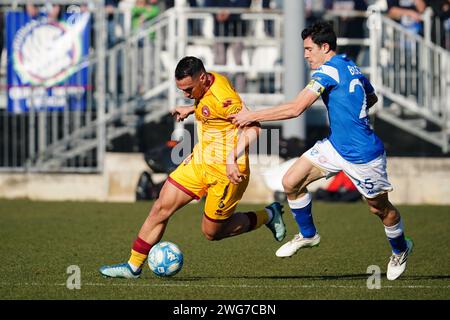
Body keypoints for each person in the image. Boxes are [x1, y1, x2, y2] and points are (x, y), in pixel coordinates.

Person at [229, 21, 413, 281]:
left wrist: (251, 115)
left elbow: (295, 109)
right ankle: (308, 235)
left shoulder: (328, 71)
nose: (305, 55)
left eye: (308, 49)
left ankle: (401, 249)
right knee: (291, 181)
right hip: (335, 146)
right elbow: (371, 98)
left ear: (324, 47)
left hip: (363, 155)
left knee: (380, 209)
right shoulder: (350, 64)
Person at [99, 56, 286, 278]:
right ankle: (133, 266)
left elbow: (253, 128)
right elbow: (209, 107)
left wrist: (231, 158)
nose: (186, 94)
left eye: (189, 89)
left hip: (226, 173)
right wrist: (191, 108)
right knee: (161, 206)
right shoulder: (207, 85)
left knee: (212, 232)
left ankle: (268, 215)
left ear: (203, 79)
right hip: (199, 162)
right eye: (182, 90)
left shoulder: (224, 98)